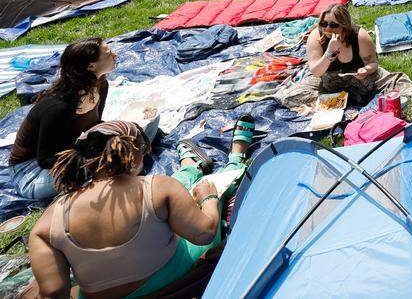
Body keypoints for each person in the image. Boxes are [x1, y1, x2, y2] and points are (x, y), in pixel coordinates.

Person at [27, 117, 250, 299]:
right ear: (134, 150)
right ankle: (234, 161)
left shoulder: (47, 223)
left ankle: (190, 165)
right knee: (209, 195)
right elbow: (204, 233)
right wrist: (209, 199)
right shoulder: (159, 187)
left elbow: (53, 292)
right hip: (174, 279)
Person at [8, 38, 114, 201]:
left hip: (69, 152)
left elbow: (93, 125)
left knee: (126, 139)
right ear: (91, 66)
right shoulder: (59, 107)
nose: (115, 54)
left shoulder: (101, 86)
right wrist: (90, 154)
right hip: (31, 172)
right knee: (108, 163)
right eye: (107, 53)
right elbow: (45, 159)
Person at [304, 3, 412, 106]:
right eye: (324, 24)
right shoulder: (316, 38)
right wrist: (329, 53)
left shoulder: (359, 36)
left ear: (345, 26)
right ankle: (329, 106)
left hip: (362, 79)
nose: (327, 29)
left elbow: (373, 64)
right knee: (292, 94)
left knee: (394, 83)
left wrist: (366, 70)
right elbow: (316, 71)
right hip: (329, 82)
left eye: (333, 25)